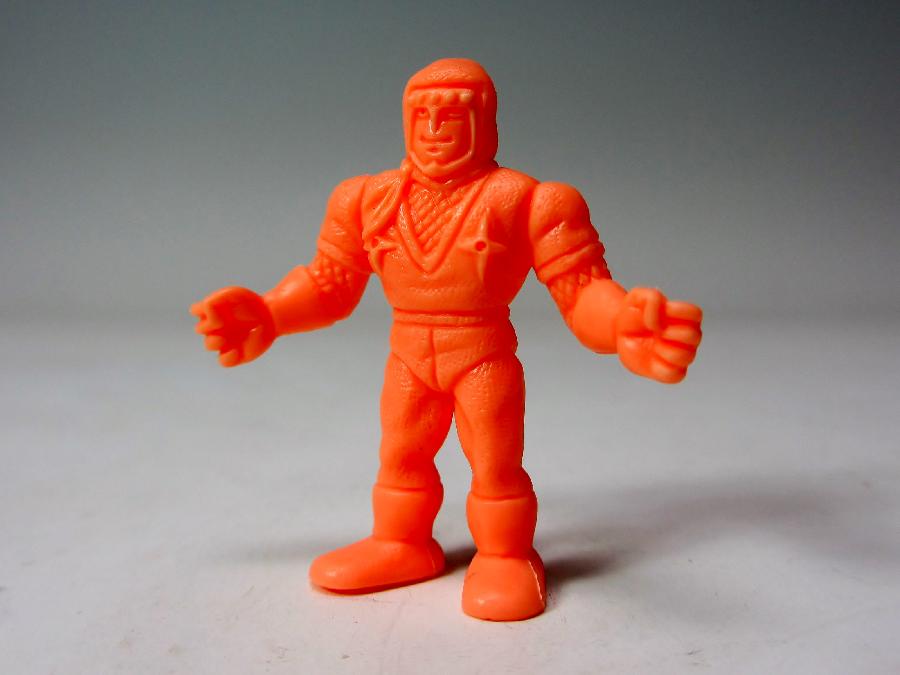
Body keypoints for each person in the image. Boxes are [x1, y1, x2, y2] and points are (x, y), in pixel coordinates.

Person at [191, 58, 703, 621]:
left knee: (495, 462)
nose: (434, 131)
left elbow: (581, 293)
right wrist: (270, 312)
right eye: (421, 116)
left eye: (452, 117)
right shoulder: (367, 199)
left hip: (482, 352)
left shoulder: (530, 201)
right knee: (400, 453)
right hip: (408, 352)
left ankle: (506, 554)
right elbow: (329, 284)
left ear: (487, 123)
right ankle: (400, 542)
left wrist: (623, 322)